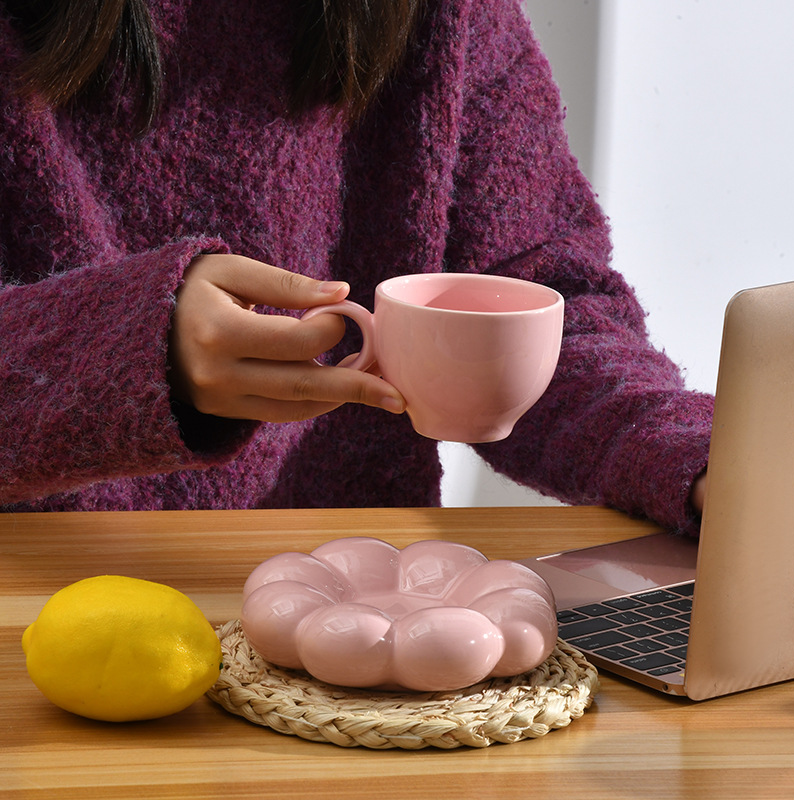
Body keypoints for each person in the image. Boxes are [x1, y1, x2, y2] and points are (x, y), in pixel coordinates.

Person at [0, 0, 712, 532]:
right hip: (39, 619)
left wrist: (704, 462)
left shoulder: (446, 16)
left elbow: (543, 303)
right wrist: (121, 350)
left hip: (351, 628)